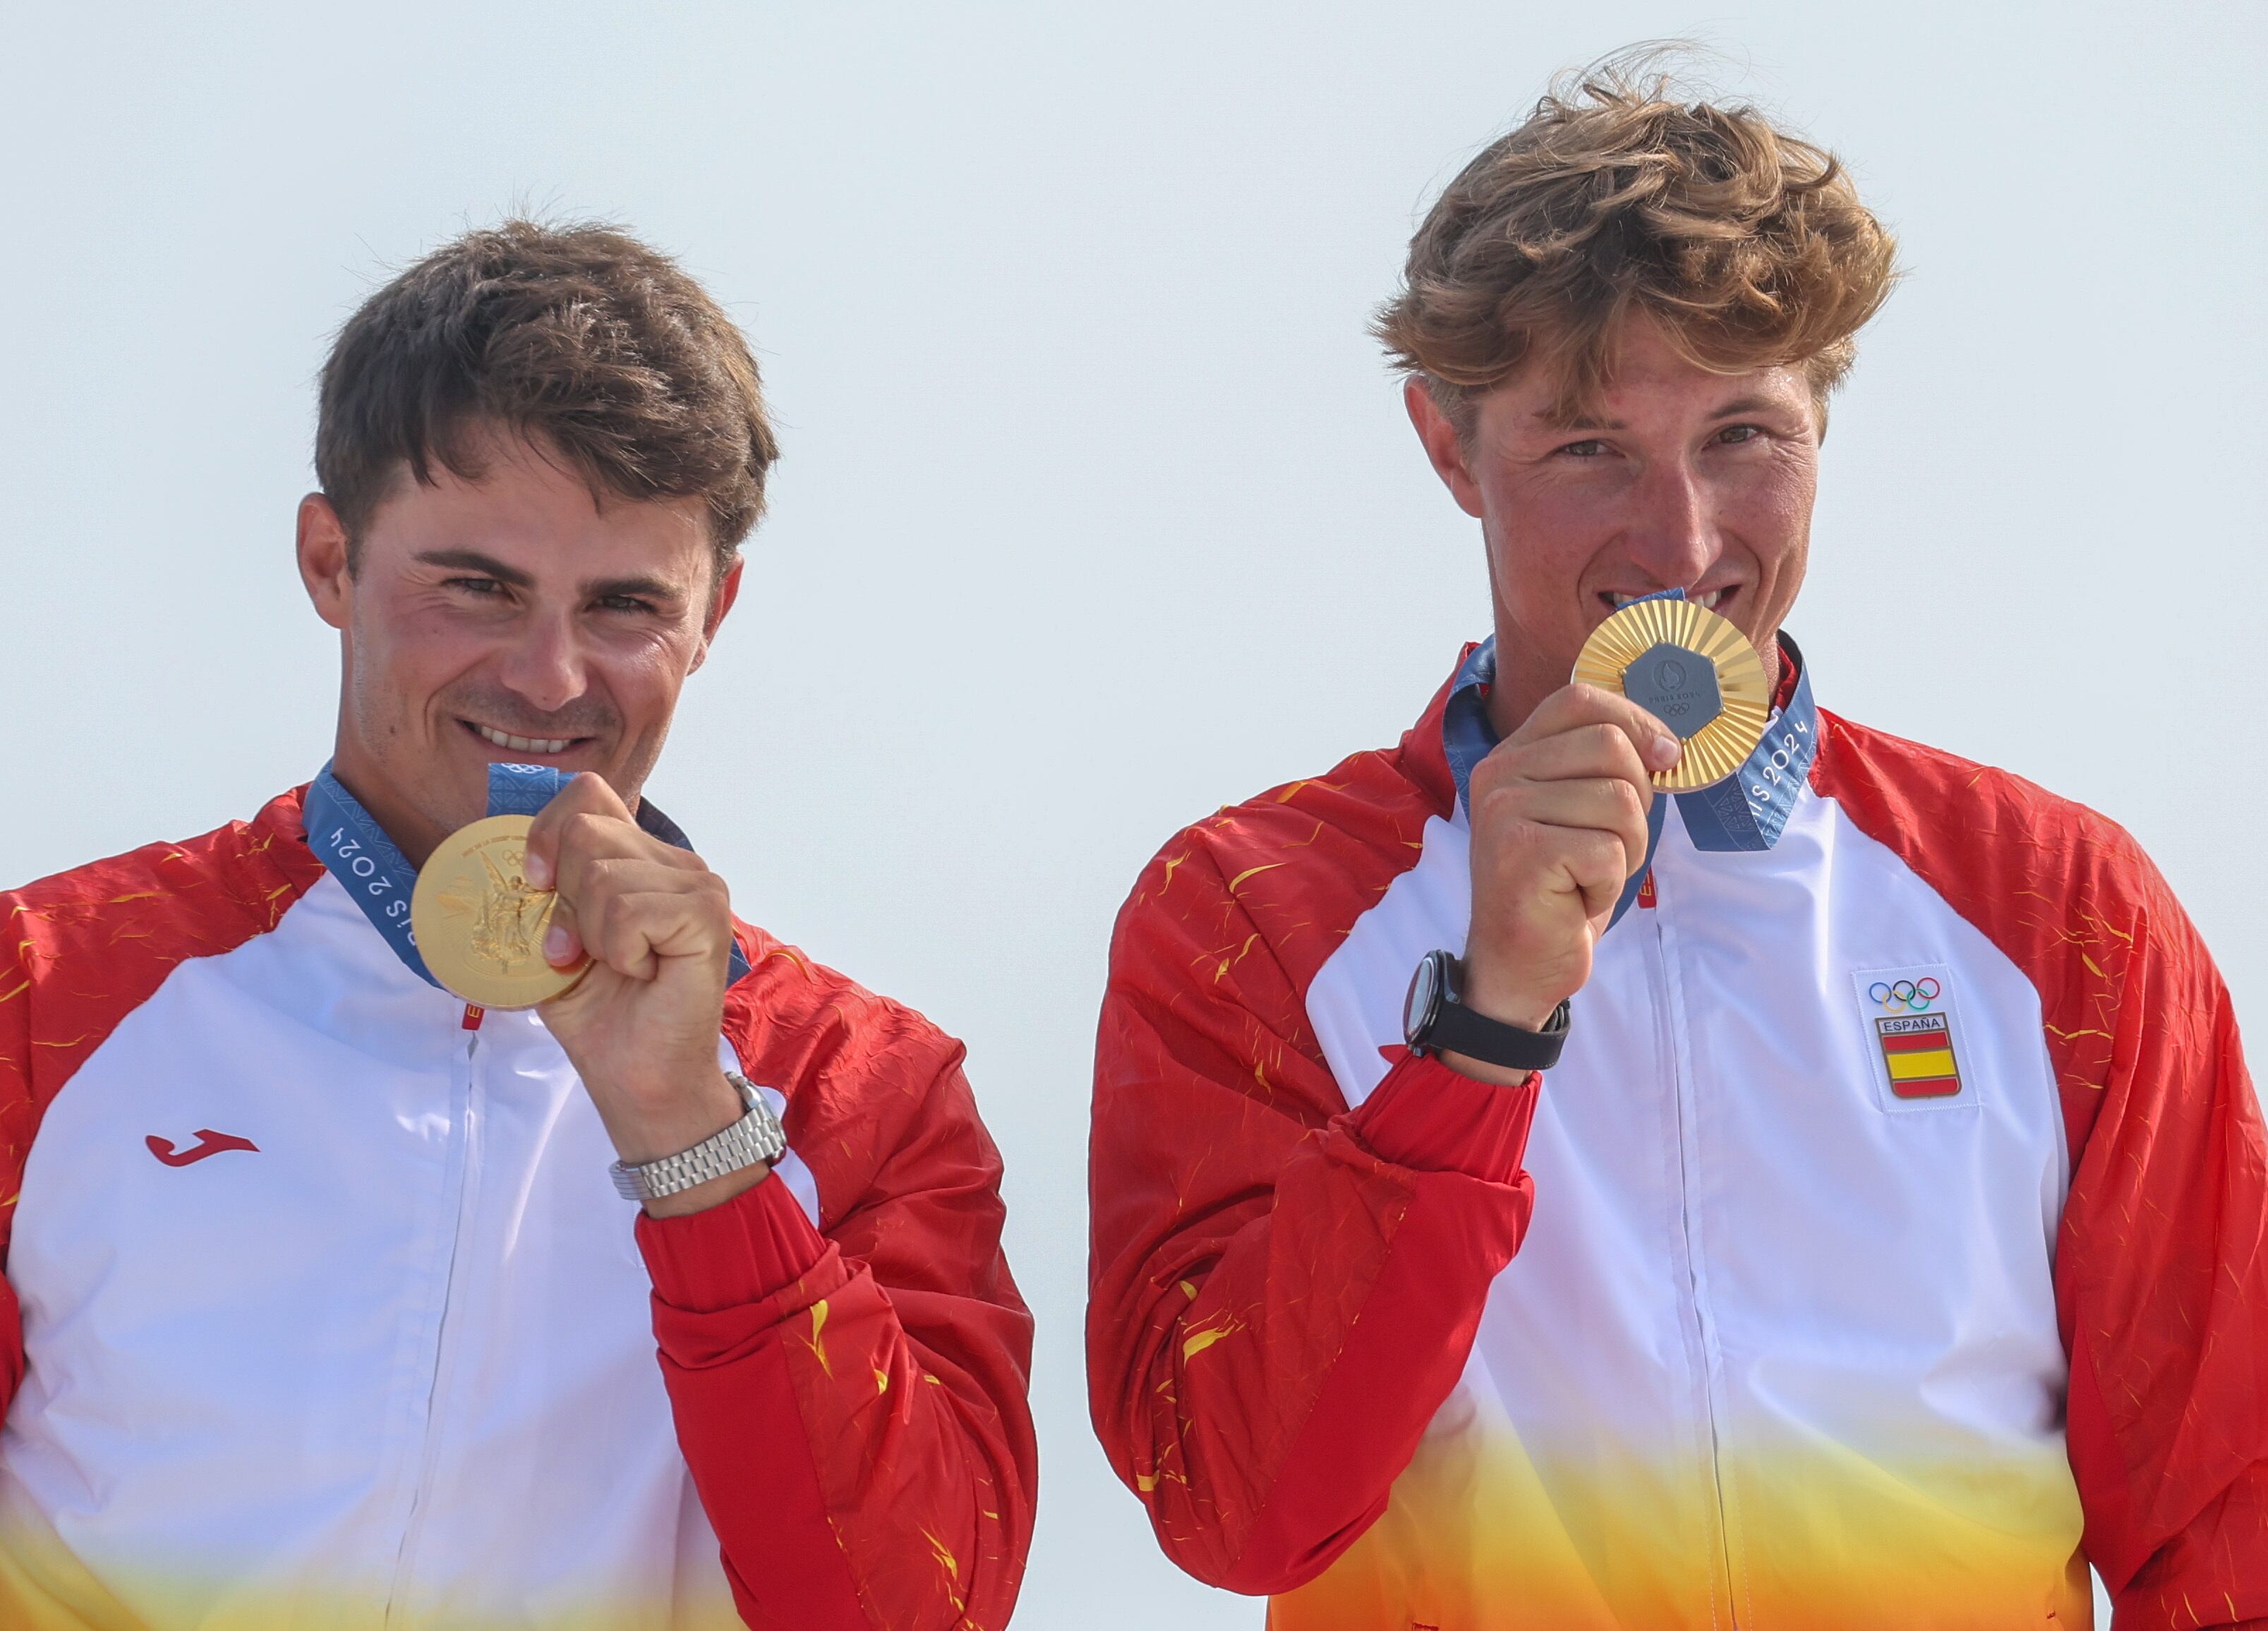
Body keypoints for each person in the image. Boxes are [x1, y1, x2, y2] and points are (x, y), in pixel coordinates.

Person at [1086, 64, 2268, 1630]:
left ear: (1821, 425)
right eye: (1586, 449)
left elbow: (2222, 1522)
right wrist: (1479, 1032)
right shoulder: (1246, 916)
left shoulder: (2057, 909)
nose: (1686, 541)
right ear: (1447, 449)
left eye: (1739, 435)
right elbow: (1234, 1510)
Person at [0, 222, 1035, 1630]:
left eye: (622, 605)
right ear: (329, 560)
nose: (548, 678)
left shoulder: (864, 1089)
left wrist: (692, 1139)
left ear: (714, 612)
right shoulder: (43, 991)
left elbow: (913, 1610)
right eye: (475, 585)